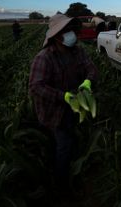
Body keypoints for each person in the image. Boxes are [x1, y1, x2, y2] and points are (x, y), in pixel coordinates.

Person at [28, 13, 98, 191]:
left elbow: (90, 67)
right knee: (63, 146)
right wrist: (62, 96)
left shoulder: (78, 51)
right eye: (67, 31)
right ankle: (61, 187)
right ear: (57, 36)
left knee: (70, 140)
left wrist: (88, 80)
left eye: (71, 30)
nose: (71, 34)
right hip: (54, 112)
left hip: (74, 106)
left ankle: (67, 172)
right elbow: (36, 86)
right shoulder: (44, 57)